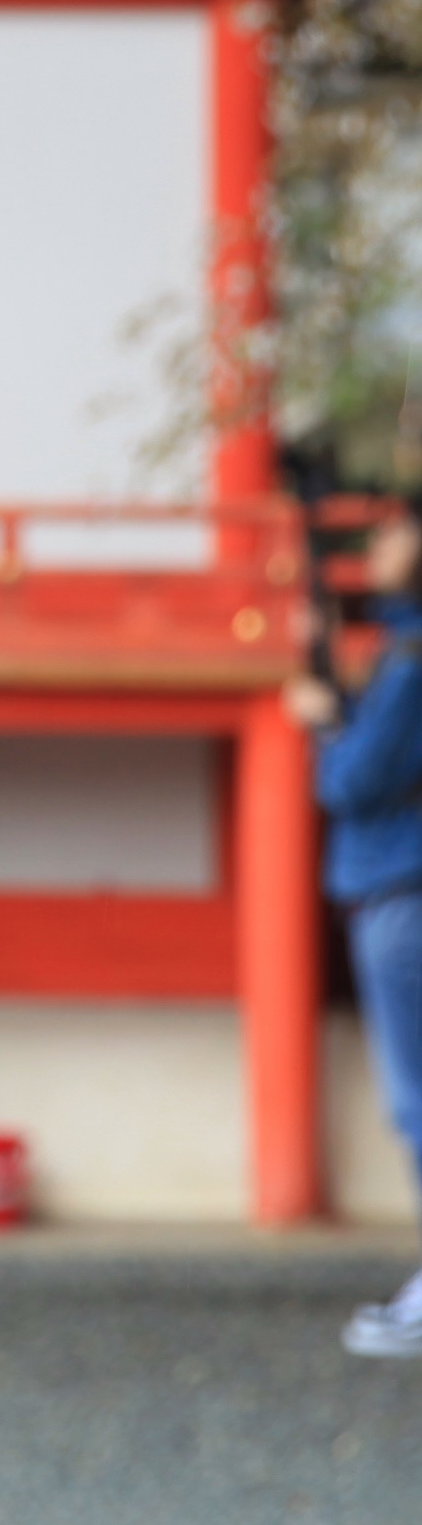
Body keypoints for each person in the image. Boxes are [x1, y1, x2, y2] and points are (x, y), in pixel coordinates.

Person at [287, 496, 422, 1357]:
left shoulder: (410, 660)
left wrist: (324, 721)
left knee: (415, 1097)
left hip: (402, 891)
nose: (378, 544)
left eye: (395, 529)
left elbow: (354, 781)